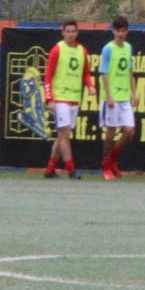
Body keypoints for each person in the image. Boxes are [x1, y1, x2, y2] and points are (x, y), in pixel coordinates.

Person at [43, 20, 94, 179]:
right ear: (63, 32)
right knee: (65, 134)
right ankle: (71, 169)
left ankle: (50, 169)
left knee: (62, 135)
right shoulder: (57, 50)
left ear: (77, 32)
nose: (71, 34)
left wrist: (90, 85)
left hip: (74, 98)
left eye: (73, 31)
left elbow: (85, 72)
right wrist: (49, 99)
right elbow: (48, 76)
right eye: (68, 31)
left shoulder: (82, 51)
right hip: (60, 98)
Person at [98, 15, 138, 181]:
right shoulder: (108, 49)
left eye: (123, 31)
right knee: (111, 132)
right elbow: (104, 74)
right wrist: (109, 97)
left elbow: (130, 72)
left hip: (125, 97)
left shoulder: (128, 48)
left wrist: (134, 93)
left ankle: (112, 160)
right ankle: (106, 166)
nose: (120, 34)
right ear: (113, 31)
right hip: (112, 97)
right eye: (118, 31)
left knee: (129, 132)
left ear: (127, 32)